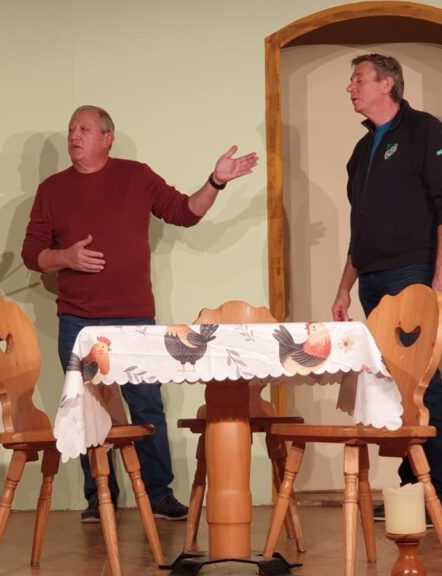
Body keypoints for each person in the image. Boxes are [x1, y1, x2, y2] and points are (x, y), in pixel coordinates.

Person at [22, 105, 258, 522]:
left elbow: (184, 212)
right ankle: (100, 497)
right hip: (77, 320)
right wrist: (65, 257)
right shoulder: (52, 189)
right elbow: (32, 254)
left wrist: (216, 181)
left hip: (133, 318)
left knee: (147, 407)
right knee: (86, 409)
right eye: (71, 129)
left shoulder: (136, 176)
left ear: (107, 138)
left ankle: (159, 494)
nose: (74, 136)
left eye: (84, 129)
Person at [330, 54, 442, 526]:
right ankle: (412, 489)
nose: (351, 88)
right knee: (395, 385)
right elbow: (360, 231)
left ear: (387, 84)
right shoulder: (362, 150)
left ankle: (439, 496)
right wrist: (344, 289)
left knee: (422, 382)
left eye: (358, 79)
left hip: (413, 273)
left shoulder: (424, 130)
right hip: (372, 282)